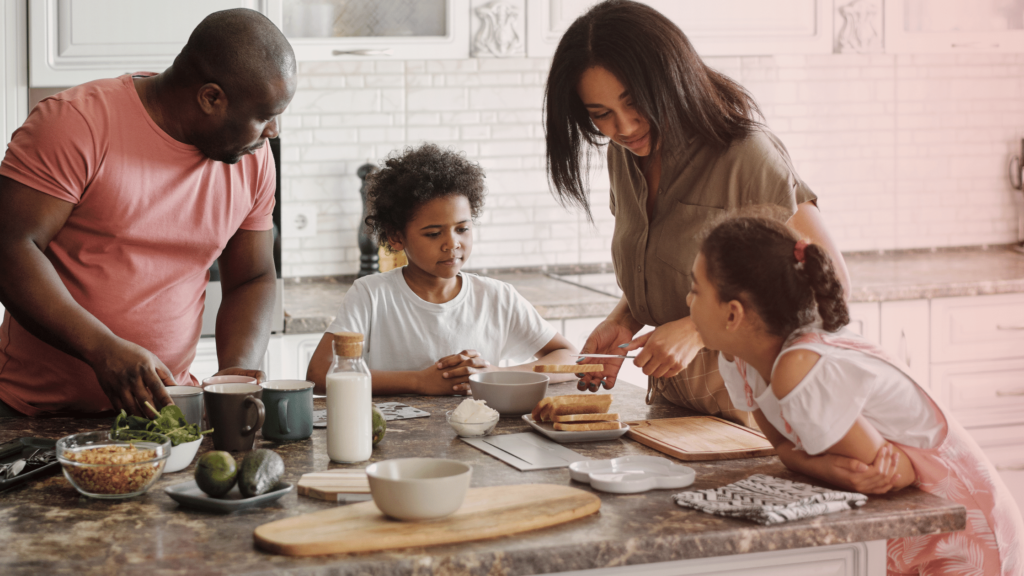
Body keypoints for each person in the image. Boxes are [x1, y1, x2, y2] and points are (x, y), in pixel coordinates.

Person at [543, 0, 850, 426]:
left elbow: (826, 286)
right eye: (601, 115)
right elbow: (680, 269)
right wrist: (624, 318)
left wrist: (696, 330)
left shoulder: (746, 153)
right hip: (676, 408)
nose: (625, 127)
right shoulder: (624, 154)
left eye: (635, 103)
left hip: (756, 411)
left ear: (670, 80)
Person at [688, 213, 1023, 575]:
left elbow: (889, 474)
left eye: (695, 289)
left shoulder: (798, 368)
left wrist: (828, 468)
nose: (687, 300)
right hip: (908, 525)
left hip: (965, 527)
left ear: (733, 314)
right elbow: (787, 452)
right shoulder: (739, 361)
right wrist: (825, 467)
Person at [0, 9, 297, 417]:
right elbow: (11, 248)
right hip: (36, 413)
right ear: (211, 97)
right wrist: (102, 350)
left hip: (161, 416)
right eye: (264, 116)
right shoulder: (76, 123)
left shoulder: (253, 158)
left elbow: (252, 277)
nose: (273, 132)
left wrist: (236, 373)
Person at [306, 143, 578, 395]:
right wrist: (418, 381)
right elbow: (319, 373)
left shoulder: (497, 296)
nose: (452, 244)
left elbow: (569, 358)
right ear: (396, 237)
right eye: (434, 233)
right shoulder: (371, 294)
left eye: (462, 229)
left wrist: (495, 374)